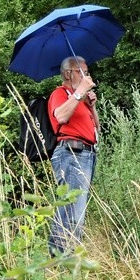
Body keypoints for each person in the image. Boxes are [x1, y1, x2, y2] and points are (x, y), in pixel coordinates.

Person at [47, 55, 99, 255]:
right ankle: (60, 259)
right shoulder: (60, 93)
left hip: (86, 153)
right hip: (71, 153)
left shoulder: (80, 99)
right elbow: (60, 116)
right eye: (81, 71)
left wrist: (91, 106)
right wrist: (79, 93)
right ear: (68, 73)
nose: (86, 76)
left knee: (78, 209)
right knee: (71, 210)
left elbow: (97, 128)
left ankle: (65, 257)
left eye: (87, 72)